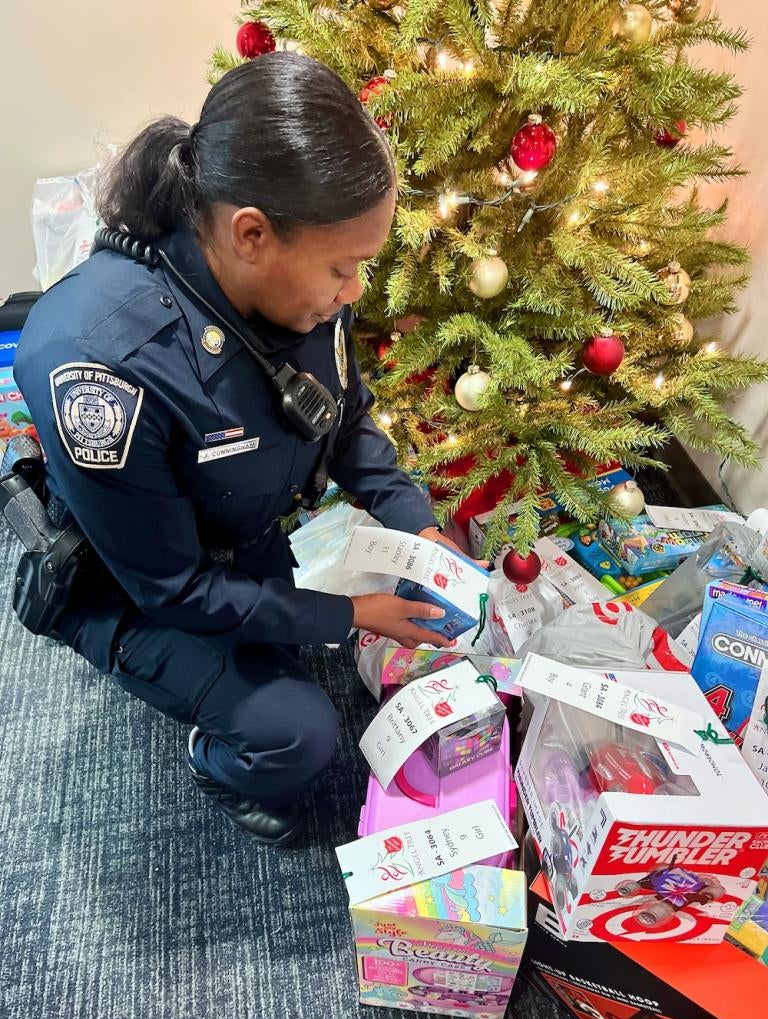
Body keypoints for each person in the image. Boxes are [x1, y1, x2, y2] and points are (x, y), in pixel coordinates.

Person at [14, 52, 466, 847]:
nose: (355, 291)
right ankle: (212, 762)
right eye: (343, 266)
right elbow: (172, 589)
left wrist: (415, 523)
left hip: (241, 529)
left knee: (335, 633)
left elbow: (343, 415)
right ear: (251, 233)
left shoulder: (302, 286)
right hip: (132, 584)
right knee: (299, 734)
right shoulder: (101, 365)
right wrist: (351, 613)